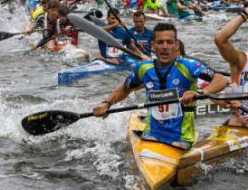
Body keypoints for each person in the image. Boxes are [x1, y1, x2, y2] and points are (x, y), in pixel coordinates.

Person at [92, 23, 229, 149]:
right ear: (153, 45)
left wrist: (199, 93)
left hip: (181, 139)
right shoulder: (143, 68)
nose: (164, 46)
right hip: (151, 134)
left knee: (177, 145)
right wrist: (106, 103)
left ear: (176, 45)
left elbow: (222, 80)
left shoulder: (190, 66)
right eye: (160, 42)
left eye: (169, 42)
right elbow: (125, 88)